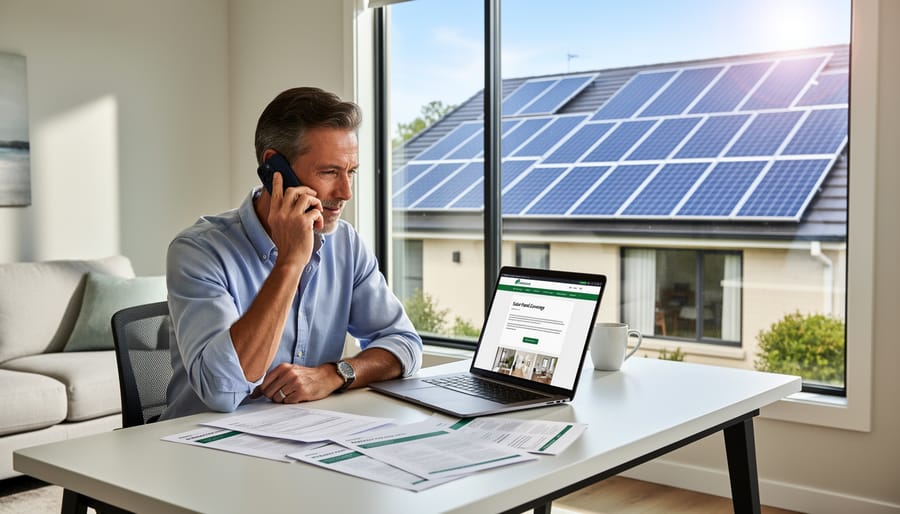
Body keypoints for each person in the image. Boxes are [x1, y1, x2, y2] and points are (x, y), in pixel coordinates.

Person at [160, 87, 422, 420]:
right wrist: (290, 262)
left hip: (301, 439)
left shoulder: (346, 244)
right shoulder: (199, 251)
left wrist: (335, 374)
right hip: (198, 447)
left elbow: (405, 344)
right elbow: (221, 391)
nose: (345, 193)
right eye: (329, 172)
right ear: (275, 168)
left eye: (351, 172)